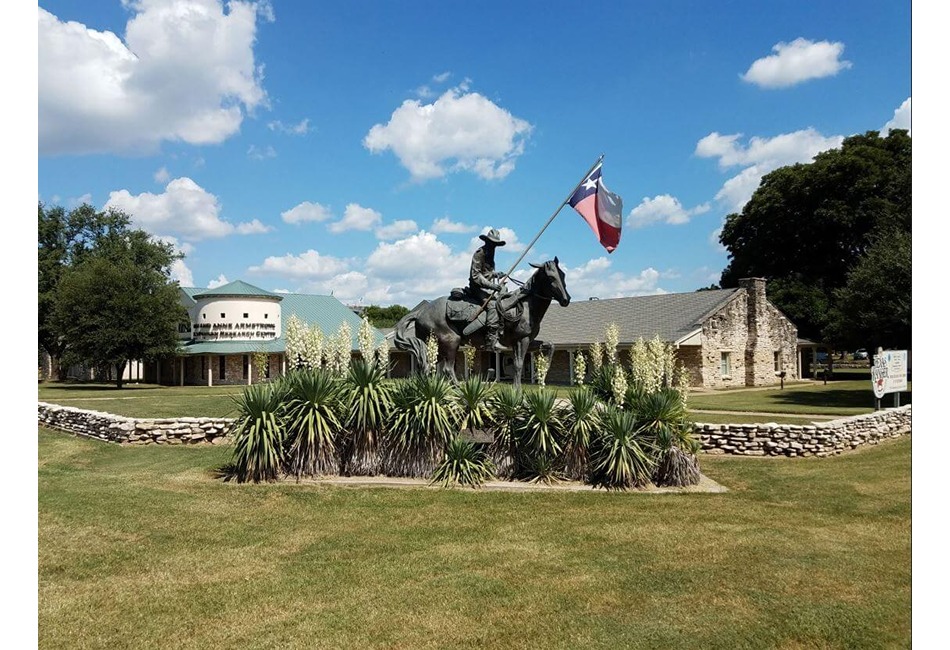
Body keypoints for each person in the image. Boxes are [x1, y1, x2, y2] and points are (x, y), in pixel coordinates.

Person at [469, 228, 509, 352]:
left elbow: (487, 273)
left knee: (505, 295)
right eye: (492, 243)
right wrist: (492, 286)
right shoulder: (479, 253)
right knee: (492, 305)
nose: (494, 246)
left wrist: (496, 274)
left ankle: (502, 329)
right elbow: (476, 276)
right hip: (477, 288)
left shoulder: (491, 255)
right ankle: (491, 340)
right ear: (487, 241)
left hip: (488, 287)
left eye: (496, 244)